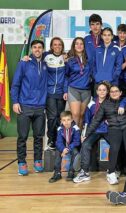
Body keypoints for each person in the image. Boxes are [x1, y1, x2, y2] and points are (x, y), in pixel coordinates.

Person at [83, 85, 126, 185]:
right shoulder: (105, 104)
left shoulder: (125, 103)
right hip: (114, 128)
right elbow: (96, 120)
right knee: (114, 149)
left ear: (120, 93)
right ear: (110, 93)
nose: (114, 93)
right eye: (112, 91)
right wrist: (86, 134)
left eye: (116, 91)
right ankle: (111, 173)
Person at [11, 40, 47, 175]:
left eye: (40, 47)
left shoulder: (45, 64)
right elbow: (15, 84)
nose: (37, 49)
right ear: (31, 49)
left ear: (43, 50)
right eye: (35, 47)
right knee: (23, 136)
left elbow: (57, 55)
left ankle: (38, 160)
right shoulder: (24, 63)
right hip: (25, 106)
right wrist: (15, 102)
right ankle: (22, 162)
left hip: (40, 107)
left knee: (38, 136)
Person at [73, 82, 110, 183]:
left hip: (108, 130)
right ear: (97, 91)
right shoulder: (91, 103)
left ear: (107, 92)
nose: (102, 92)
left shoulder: (111, 102)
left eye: (104, 90)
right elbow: (86, 121)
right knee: (85, 145)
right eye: (100, 90)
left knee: (116, 144)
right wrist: (84, 134)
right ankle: (84, 172)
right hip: (94, 130)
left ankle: (113, 170)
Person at [44, 37, 68, 149]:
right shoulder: (46, 56)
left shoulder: (66, 58)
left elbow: (67, 76)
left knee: (60, 117)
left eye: (59, 44)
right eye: (55, 44)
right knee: (52, 117)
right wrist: (26, 57)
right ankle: (51, 139)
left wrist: (65, 91)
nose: (57, 46)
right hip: (49, 93)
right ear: (51, 46)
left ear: (62, 46)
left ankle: (60, 139)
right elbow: (34, 58)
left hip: (61, 93)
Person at [66, 37, 93, 129]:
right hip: (74, 89)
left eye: (81, 44)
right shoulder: (69, 60)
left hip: (86, 90)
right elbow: (66, 76)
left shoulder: (88, 59)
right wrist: (65, 91)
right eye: (76, 43)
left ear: (84, 46)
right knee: (75, 114)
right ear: (74, 46)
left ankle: (80, 137)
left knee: (82, 115)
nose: (79, 45)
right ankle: (74, 138)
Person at [49, 111, 81, 183]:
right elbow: (58, 142)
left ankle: (71, 172)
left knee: (75, 153)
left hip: (72, 147)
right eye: (64, 120)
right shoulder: (59, 129)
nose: (66, 122)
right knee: (57, 152)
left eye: (68, 120)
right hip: (63, 147)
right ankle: (57, 173)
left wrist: (68, 149)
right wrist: (63, 149)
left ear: (72, 120)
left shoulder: (76, 129)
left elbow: (77, 142)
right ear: (61, 121)